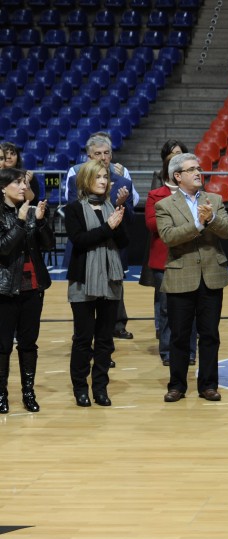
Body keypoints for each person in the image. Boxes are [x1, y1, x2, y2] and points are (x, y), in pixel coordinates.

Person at [157, 154, 228, 403]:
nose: (198, 173)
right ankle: (177, 385)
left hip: (211, 275)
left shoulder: (215, 200)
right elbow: (169, 237)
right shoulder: (165, 205)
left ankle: (209, 385)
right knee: (179, 336)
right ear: (178, 176)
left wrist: (211, 219)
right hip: (181, 277)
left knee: (210, 335)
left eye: (198, 168)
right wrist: (199, 226)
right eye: (191, 170)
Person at [64, 159, 129, 407]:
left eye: (105, 177)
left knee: (104, 340)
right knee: (83, 339)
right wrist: (108, 227)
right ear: (85, 180)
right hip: (83, 281)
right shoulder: (74, 209)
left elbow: (123, 242)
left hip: (110, 279)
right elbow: (80, 240)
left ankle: (100, 388)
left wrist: (119, 216)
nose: (103, 181)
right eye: (98, 177)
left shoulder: (113, 206)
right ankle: (80, 388)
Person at [63, 133, 137, 341]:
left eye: (107, 153)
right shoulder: (76, 178)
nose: (103, 157)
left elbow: (129, 221)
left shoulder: (124, 180)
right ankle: (84, 334)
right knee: (84, 322)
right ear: (88, 156)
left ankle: (116, 327)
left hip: (112, 250)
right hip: (85, 250)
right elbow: (75, 213)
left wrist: (120, 205)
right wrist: (108, 222)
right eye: (98, 153)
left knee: (112, 298)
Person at [0, 167, 53, 413]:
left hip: (32, 287)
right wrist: (21, 222)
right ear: (3, 188)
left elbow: (48, 244)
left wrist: (40, 222)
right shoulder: (8, 214)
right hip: (5, 289)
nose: (24, 187)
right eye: (18, 183)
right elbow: (3, 248)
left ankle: (28, 393)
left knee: (28, 343)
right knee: (3, 345)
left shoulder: (30, 210)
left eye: (24, 182)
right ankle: (1, 394)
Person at [143, 140, 196, 366]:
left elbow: (199, 222)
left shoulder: (195, 194)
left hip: (190, 258)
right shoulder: (156, 194)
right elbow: (152, 225)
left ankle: (190, 351)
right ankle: (167, 351)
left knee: (190, 309)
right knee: (165, 308)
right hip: (163, 260)